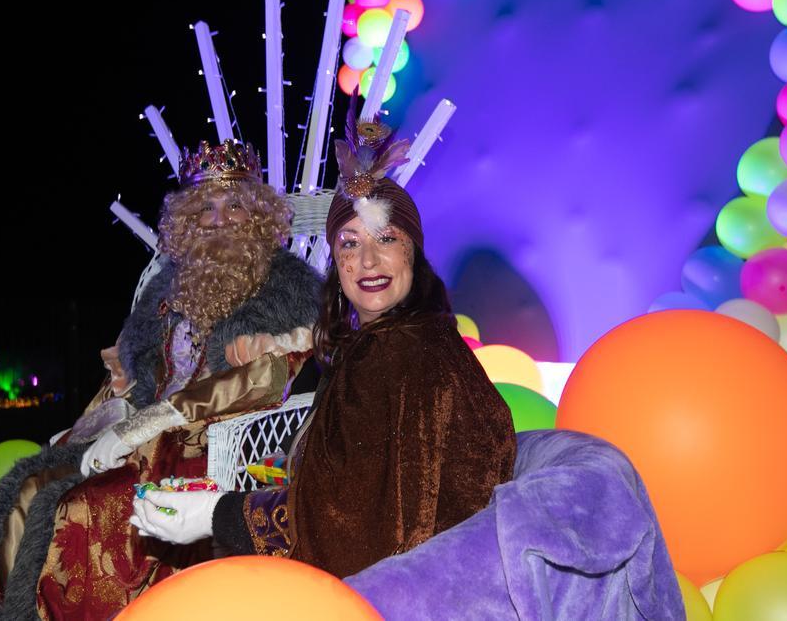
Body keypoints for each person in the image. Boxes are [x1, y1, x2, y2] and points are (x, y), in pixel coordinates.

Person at [129, 114, 517, 578]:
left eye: (386, 239)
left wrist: (217, 514)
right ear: (337, 263)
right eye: (350, 244)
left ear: (413, 250)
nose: (368, 260)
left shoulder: (400, 353)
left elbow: (353, 528)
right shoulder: (393, 339)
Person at [0, 140, 322, 620]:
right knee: (27, 490)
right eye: (205, 208)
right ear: (189, 222)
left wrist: (149, 424)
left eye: (234, 205)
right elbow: (138, 379)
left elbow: (267, 380)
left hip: (212, 442)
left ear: (257, 217)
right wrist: (97, 424)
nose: (220, 219)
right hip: (142, 430)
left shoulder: (287, 292)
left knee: (81, 509)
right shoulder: (166, 289)